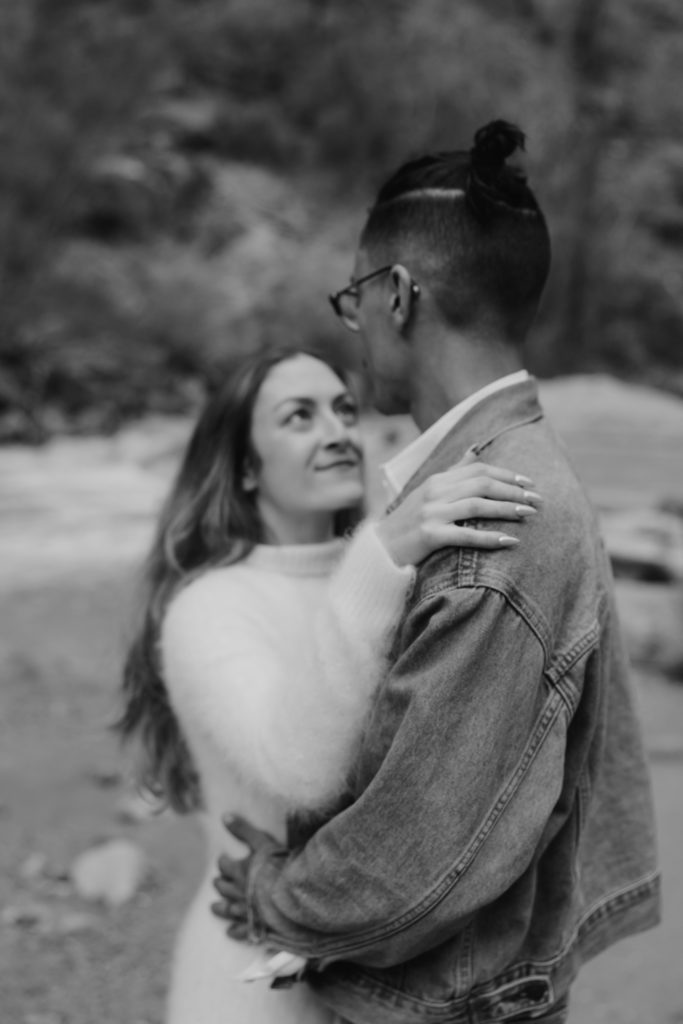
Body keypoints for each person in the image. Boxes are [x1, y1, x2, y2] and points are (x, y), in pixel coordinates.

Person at [212, 121, 660, 1024]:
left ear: (399, 295)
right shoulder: (490, 478)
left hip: (438, 1002)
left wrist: (271, 895)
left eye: (353, 300)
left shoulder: (497, 516)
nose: (356, 328)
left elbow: (418, 857)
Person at [118, 344, 541, 1024]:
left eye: (344, 410)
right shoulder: (210, 607)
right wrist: (381, 553)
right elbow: (299, 767)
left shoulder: (394, 572)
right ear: (247, 467)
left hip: (385, 978)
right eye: (299, 416)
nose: (338, 431)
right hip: (250, 986)